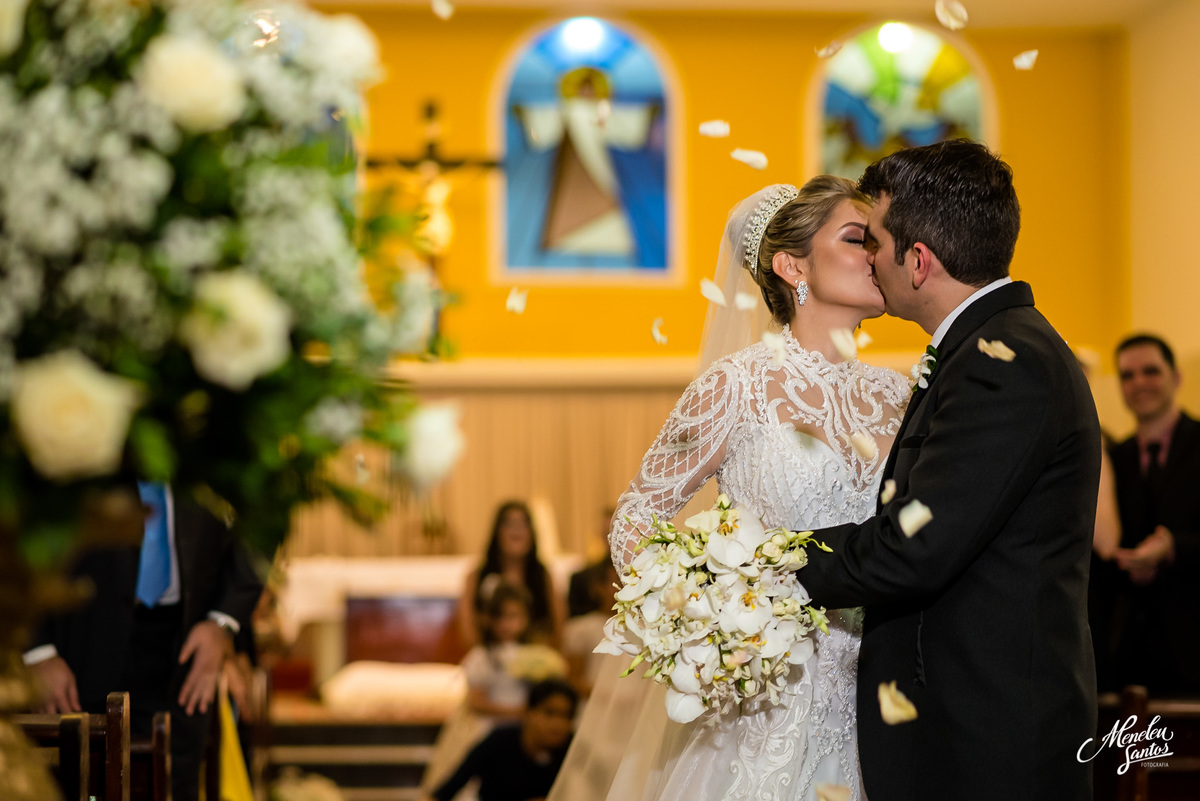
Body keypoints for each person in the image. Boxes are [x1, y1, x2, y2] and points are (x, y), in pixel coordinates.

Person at [584, 175, 909, 800]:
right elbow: (636, 513)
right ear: (793, 266)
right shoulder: (738, 385)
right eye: (855, 238)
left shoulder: (900, 397)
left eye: (878, 240)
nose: (877, 253)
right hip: (759, 707)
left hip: (877, 707)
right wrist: (698, 621)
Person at [798, 140, 1100, 801]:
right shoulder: (989, 348)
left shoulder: (1004, 360)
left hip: (990, 746)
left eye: (875, 240)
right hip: (968, 732)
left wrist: (774, 560)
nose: (870, 257)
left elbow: (917, 546)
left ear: (919, 259)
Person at [26, 482, 263, 801]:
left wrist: (222, 622)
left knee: (174, 786)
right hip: (75, 643)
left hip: (184, 647)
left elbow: (262, 527)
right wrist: (36, 651)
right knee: (75, 785)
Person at [1107, 333, 1200, 694]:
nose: (1139, 383)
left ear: (1175, 377)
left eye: (1151, 371)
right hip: (1133, 660)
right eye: (1127, 376)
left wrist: (1174, 547)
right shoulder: (1115, 460)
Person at [424, 583, 547, 798]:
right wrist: (517, 712)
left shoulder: (534, 655)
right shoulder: (482, 657)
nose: (507, 624)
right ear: (490, 620)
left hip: (524, 733)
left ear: (527, 618)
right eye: (501, 617)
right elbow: (477, 702)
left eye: (514, 616)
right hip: (489, 729)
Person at [424, 679, 578, 801]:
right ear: (529, 712)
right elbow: (446, 791)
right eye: (549, 713)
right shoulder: (498, 742)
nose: (558, 724)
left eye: (566, 716)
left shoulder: (573, 750)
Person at [460, 501, 562, 647]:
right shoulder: (477, 576)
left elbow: (557, 628)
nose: (517, 530)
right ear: (497, 532)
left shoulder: (543, 576)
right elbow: (468, 630)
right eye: (510, 524)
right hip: (490, 658)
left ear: (532, 533)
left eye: (523, 524)